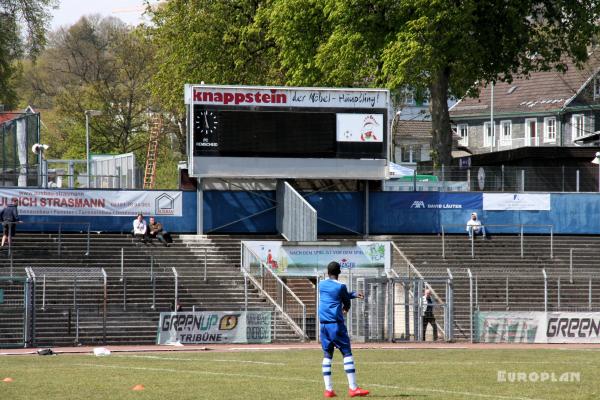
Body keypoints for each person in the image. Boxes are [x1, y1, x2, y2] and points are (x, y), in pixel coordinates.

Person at [319, 261, 369, 398]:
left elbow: (339, 294)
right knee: (347, 353)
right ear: (339, 272)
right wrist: (347, 307)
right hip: (335, 324)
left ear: (328, 272)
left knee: (327, 355)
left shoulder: (321, 285)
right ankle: (353, 388)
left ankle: (328, 390)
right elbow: (345, 299)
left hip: (323, 325)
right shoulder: (341, 286)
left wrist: (352, 294)